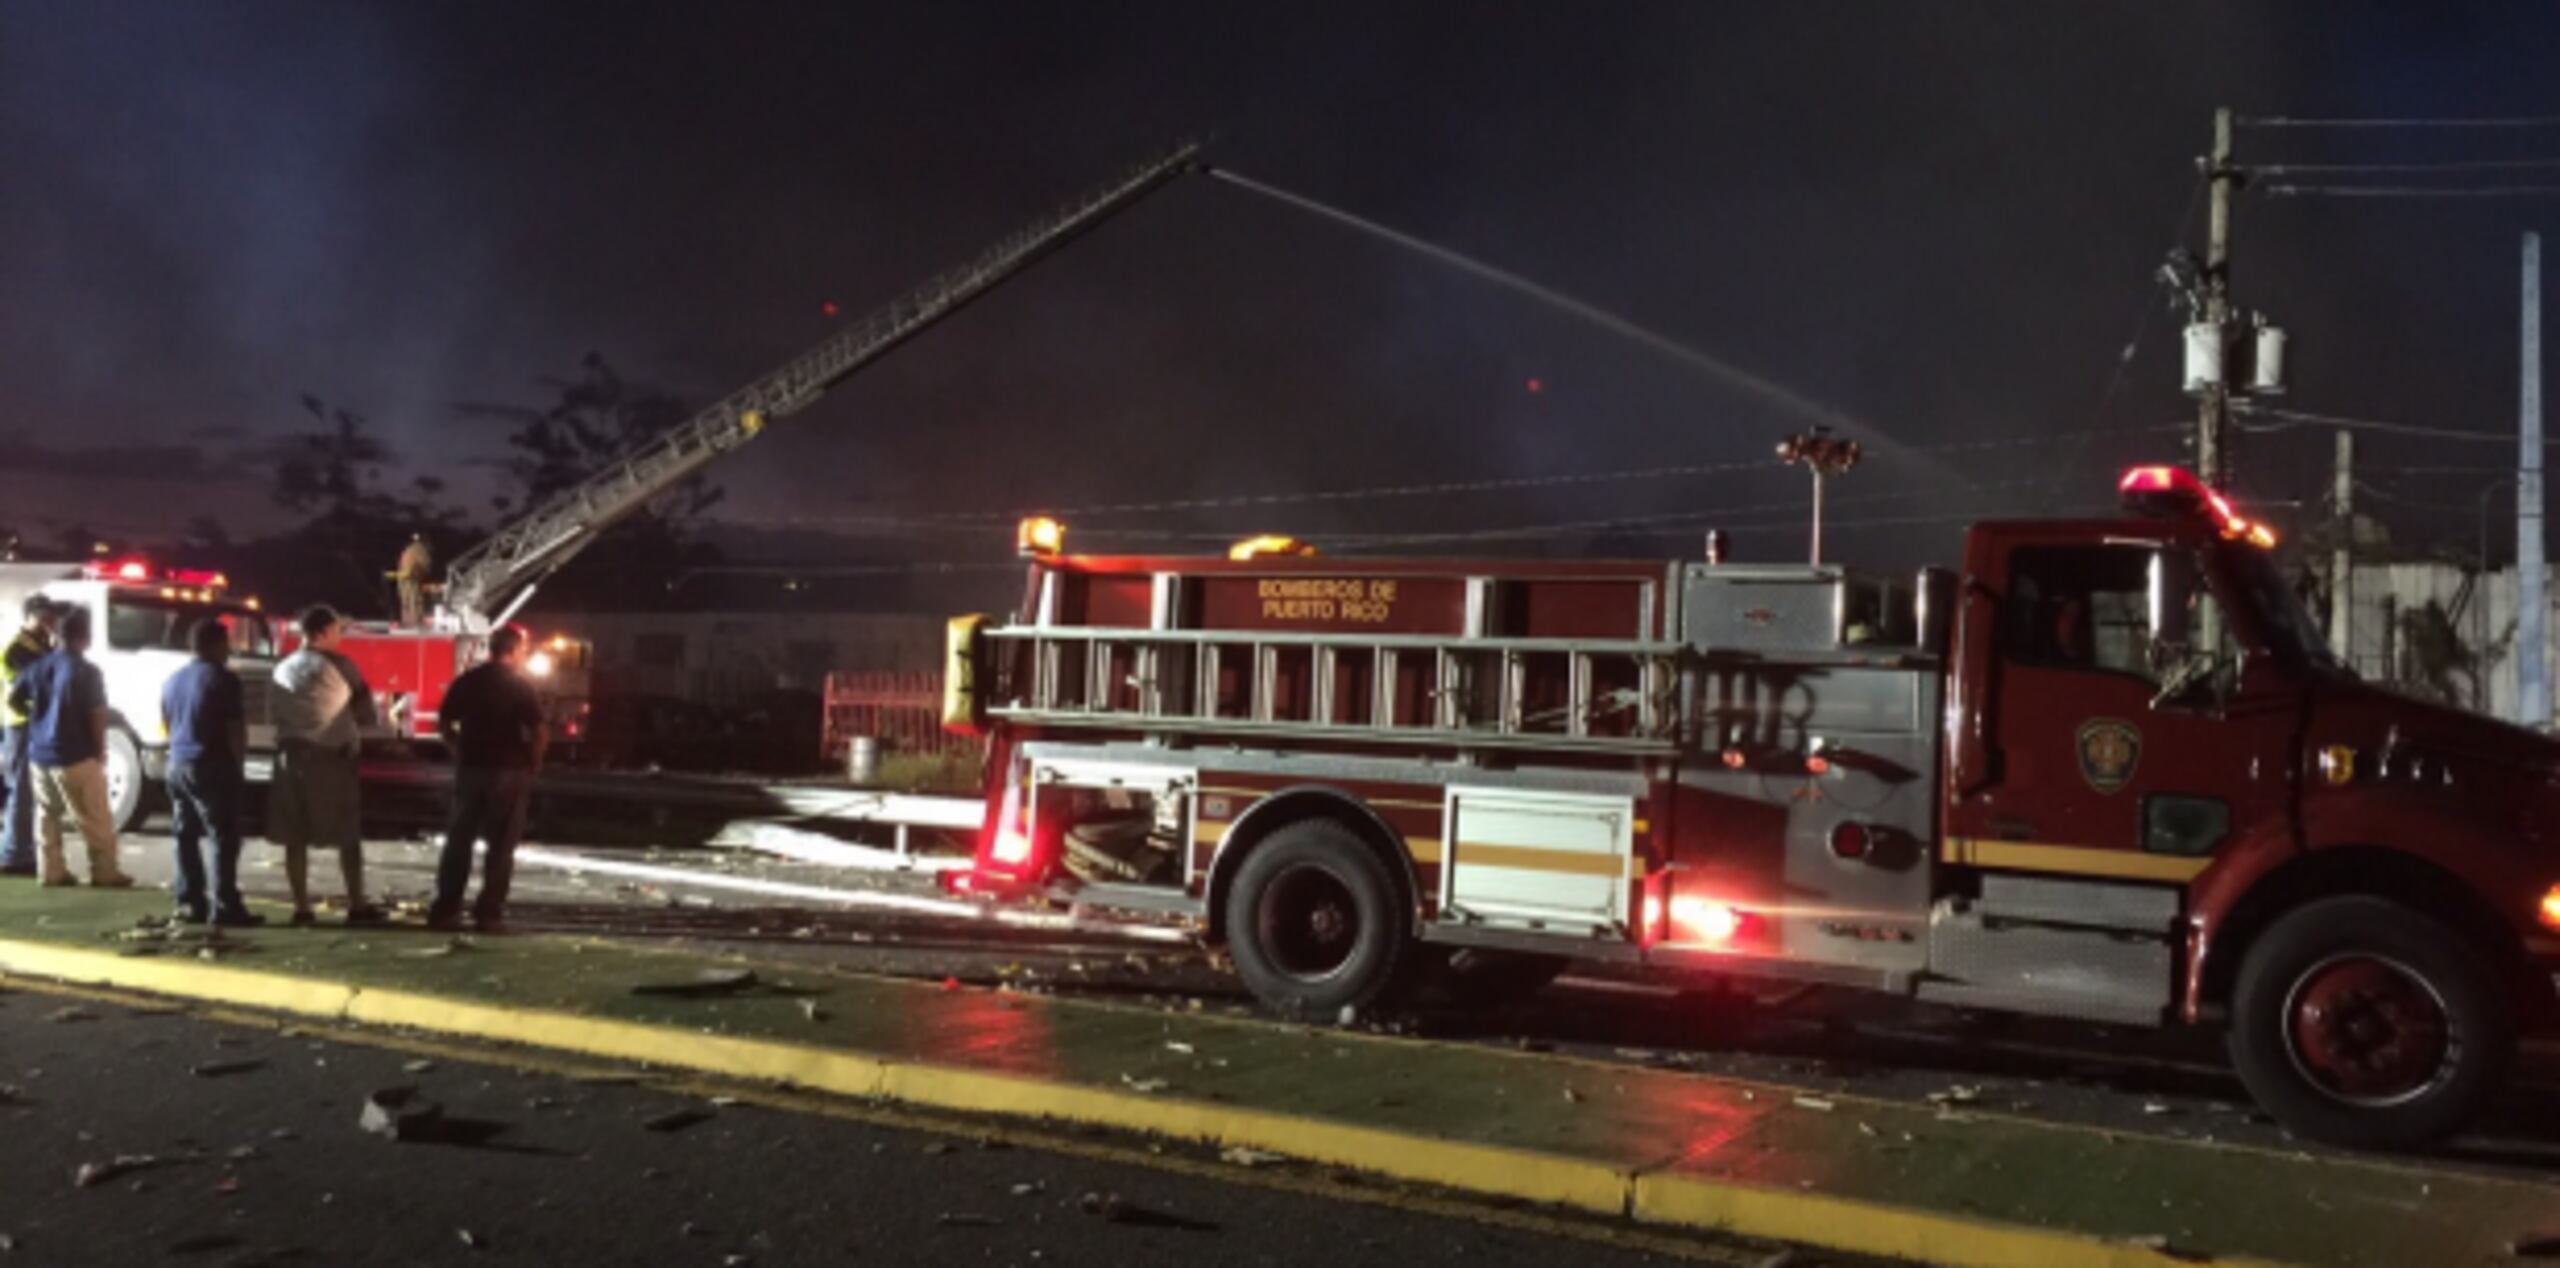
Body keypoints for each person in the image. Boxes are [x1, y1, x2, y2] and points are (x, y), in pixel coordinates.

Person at [429, 626, 548, 934]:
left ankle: (446, 909)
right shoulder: (520, 686)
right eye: (522, 650)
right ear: (513, 650)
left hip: (471, 770)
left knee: (459, 841)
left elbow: (444, 723)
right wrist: (533, 762)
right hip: (509, 770)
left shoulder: (468, 681)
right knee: (501, 844)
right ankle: (488, 913)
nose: (524, 656)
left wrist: (459, 749)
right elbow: (539, 730)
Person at [270, 605, 384, 925]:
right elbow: (365, 712)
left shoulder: (283, 667)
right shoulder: (341, 665)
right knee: (347, 834)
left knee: (295, 837)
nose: (340, 637)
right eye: (336, 631)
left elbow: (274, 714)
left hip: (289, 758)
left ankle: (302, 907)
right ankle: (357, 904)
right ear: (322, 633)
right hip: (331, 759)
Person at [7, 607, 132, 888]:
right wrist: (100, 751)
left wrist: (37, 716)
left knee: (46, 817)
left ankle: (50, 871)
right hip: (75, 755)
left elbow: (14, 698)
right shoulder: (86, 671)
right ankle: (104, 871)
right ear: (84, 638)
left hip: (40, 755)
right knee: (94, 818)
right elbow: (97, 713)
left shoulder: (38, 667)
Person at [162, 618, 262, 927]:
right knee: (223, 836)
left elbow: (166, 721)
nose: (229, 649)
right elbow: (235, 729)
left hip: (177, 762)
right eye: (226, 643)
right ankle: (225, 905)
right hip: (211, 763)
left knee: (185, 835)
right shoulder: (223, 679)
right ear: (216, 645)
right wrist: (239, 765)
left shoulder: (173, 679)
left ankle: (190, 902)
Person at [0, 596, 62, 877]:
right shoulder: (16, 649)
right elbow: (27, 688)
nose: (49, 623)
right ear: (29, 617)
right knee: (22, 789)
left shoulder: (40, 646)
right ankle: (13, 853)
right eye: (44, 617)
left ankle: (21, 850)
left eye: (51, 617)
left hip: (34, 725)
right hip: (20, 725)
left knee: (31, 791)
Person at [396, 534, 434, 628]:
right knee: (415, 601)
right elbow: (425, 567)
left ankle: (407, 622)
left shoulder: (408, 549)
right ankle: (415, 623)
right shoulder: (421, 550)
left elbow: (401, 565)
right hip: (412, 579)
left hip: (402, 578)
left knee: (406, 602)